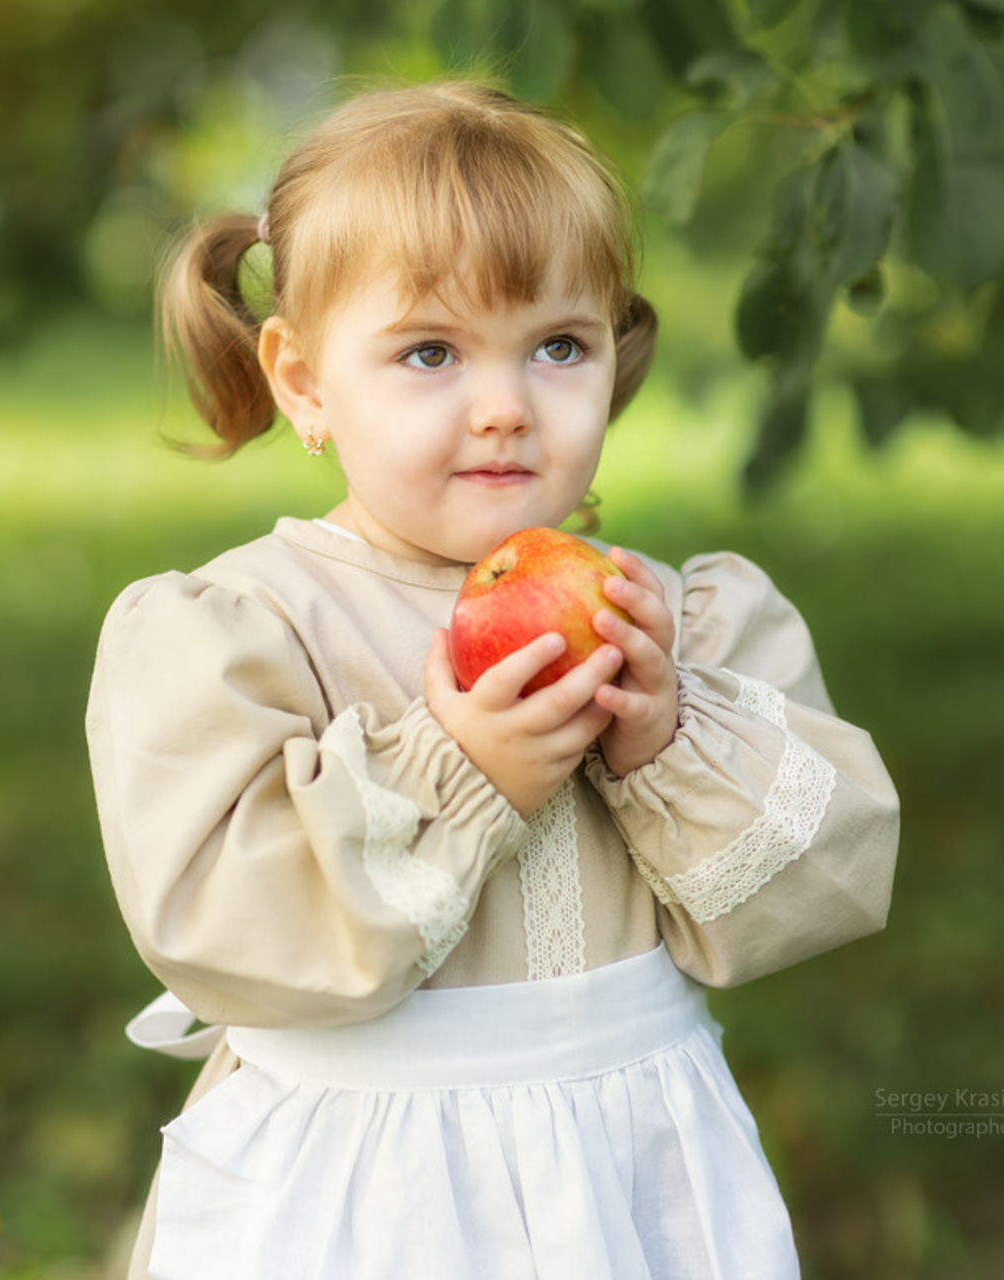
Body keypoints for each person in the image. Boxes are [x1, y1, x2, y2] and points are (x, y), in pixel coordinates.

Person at [86, 79, 900, 1280]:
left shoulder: (673, 620)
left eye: (557, 345)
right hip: (363, 1185)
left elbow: (822, 876)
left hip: (630, 1165)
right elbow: (210, 916)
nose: (506, 408)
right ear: (304, 382)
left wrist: (664, 740)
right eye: (428, 352)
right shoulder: (246, 630)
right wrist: (456, 774)